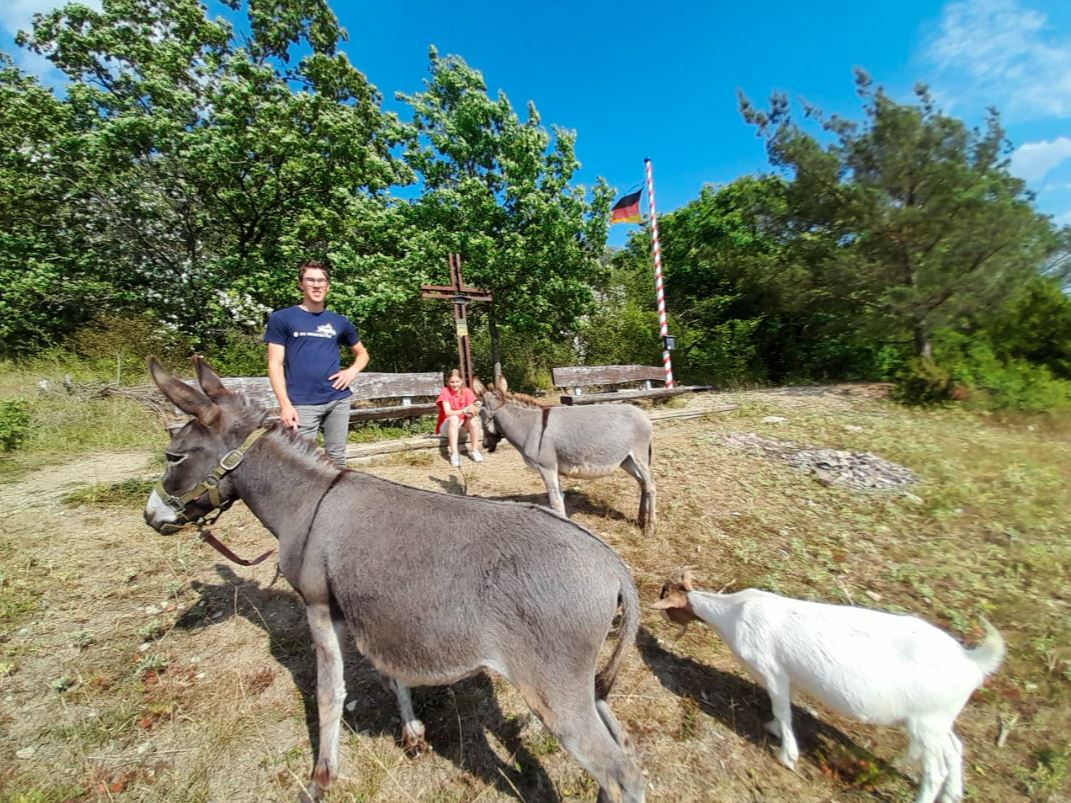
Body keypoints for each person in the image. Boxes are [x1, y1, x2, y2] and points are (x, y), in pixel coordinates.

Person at [264, 260, 369, 468]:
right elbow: (275, 364)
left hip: (337, 399)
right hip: (301, 404)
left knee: (337, 459)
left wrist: (352, 371)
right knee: (299, 462)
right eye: (310, 280)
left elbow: (362, 353)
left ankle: (336, 501)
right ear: (301, 284)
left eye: (321, 281)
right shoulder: (282, 318)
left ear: (327, 286)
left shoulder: (339, 321)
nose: (316, 285)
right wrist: (285, 405)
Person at [436, 369, 483, 467]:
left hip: (462, 426)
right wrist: (463, 411)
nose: (455, 384)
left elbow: (470, 410)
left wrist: (472, 412)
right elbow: (448, 412)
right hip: (447, 427)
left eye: (457, 381)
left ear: (462, 381)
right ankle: (454, 454)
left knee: (474, 421)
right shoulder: (445, 391)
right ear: (448, 382)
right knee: (453, 418)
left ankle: (475, 450)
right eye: (452, 382)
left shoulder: (467, 392)